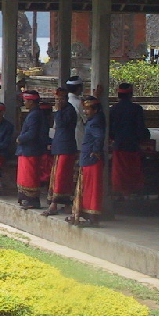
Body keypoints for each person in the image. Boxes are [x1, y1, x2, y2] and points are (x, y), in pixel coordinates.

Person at [68, 96, 105, 227]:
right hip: (88, 159)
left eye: (88, 109)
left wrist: (95, 150)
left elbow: (99, 137)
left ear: (95, 110)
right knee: (86, 188)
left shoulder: (95, 121)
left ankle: (93, 217)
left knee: (92, 189)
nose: (85, 112)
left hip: (91, 159)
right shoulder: (94, 120)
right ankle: (84, 214)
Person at [109, 83, 150, 195]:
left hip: (118, 145)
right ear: (131, 94)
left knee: (119, 173)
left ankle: (120, 195)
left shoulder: (113, 109)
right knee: (132, 172)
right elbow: (141, 129)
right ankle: (132, 195)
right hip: (133, 146)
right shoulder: (137, 109)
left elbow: (110, 131)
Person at [43, 87, 77, 216]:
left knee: (62, 176)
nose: (58, 101)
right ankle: (65, 203)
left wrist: (58, 111)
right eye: (56, 99)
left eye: (60, 99)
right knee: (57, 175)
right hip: (59, 145)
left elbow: (62, 124)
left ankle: (55, 204)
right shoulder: (62, 111)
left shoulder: (69, 111)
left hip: (66, 146)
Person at [16, 90, 46, 209]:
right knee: (26, 176)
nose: (24, 102)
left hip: (31, 150)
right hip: (28, 150)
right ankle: (26, 198)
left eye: (26, 100)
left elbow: (32, 133)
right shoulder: (34, 113)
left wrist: (20, 138)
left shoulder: (35, 115)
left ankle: (33, 200)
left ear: (31, 102)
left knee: (30, 176)